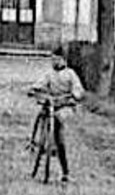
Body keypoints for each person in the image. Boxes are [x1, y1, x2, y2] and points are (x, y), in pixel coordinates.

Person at [27, 47, 84, 185]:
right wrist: (34, 89)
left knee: (60, 126)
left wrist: (75, 95)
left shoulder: (70, 74)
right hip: (51, 105)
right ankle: (38, 142)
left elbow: (78, 88)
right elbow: (40, 83)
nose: (54, 62)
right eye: (52, 59)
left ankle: (65, 171)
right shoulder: (49, 74)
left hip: (64, 106)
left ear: (64, 60)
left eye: (57, 59)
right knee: (42, 115)